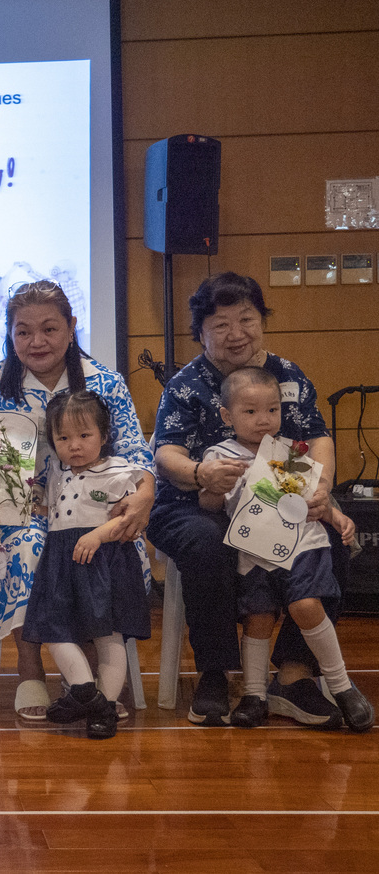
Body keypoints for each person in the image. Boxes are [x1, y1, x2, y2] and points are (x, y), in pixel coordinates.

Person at [0, 280, 154, 720]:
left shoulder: (105, 383)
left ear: (72, 328)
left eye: (50, 329)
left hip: (93, 510)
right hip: (11, 515)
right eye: (23, 331)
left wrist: (144, 494)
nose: (36, 342)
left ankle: (93, 675)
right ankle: (31, 666)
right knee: (28, 545)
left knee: (91, 546)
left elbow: (135, 452)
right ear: (10, 334)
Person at [147, 271, 346, 727]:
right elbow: (165, 453)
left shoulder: (288, 375)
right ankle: (217, 671)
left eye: (247, 319)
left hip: (280, 497)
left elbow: (317, 437)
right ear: (200, 333)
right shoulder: (186, 384)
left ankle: (294, 675)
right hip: (193, 504)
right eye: (221, 324)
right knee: (207, 540)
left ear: (263, 321)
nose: (236, 333)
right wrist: (200, 474)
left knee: (334, 534)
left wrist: (321, 490)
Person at [198, 367, 372, 731]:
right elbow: (211, 505)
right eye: (250, 412)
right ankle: (255, 694)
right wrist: (212, 489)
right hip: (254, 552)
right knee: (258, 618)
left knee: (305, 604)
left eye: (272, 410)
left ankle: (341, 687)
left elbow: (317, 501)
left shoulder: (291, 452)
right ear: (227, 416)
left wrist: (338, 518)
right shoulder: (220, 455)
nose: (263, 420)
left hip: (303, 546)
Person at [21, 390, 152, 739]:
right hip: (61, 562)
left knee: (108, 636)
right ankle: (84, 691)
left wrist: (98, 535)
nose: (74, 445)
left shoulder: (118, 471)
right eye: (63, 438)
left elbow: (126, 518)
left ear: (104, 436)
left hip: (104, 562)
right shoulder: (56, 472)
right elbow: (53, 512)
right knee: (54, 628)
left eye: (84, 436)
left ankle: (104, 706)